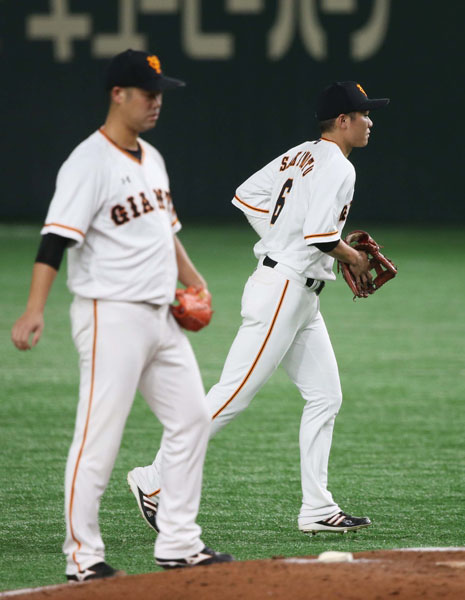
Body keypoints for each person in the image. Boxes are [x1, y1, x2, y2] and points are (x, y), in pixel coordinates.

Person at [126, 81, 389, 536]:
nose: (370, 121)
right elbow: (319, 237)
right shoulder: (338, 167)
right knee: (232, 394)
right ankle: (155, 478)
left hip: (298, 294)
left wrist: (279, 239)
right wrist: (354, 257)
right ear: (343, 121)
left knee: (325, 397)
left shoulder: (299, 155)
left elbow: (247, 195)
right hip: (283, 291)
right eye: (364, 114)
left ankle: (317, 508)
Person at [11, 48, 233, 581]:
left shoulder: (151, 158)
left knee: (192, 419)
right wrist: (34, 309)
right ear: (118, 94)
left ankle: (178, 542)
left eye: (160, 94)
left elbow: (165, 231)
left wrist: (194, 279)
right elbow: (54, 239)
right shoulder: (88, 162)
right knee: (99, 437)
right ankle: (83, 556)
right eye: (147, 94)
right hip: (109, 314)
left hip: (161, 316)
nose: (157, 103)